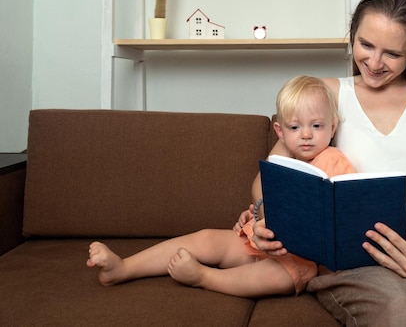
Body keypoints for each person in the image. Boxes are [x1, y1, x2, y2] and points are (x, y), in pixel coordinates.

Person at [245, 0, 406, 325]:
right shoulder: (328, 92)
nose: (374, 63)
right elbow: (272, 179)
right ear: (353, 36)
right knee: (399, 314)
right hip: (358, 239)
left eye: (392, 53)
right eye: (365, 45)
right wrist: (266, 218)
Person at [86, 75, 354, 297]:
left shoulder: (333, 159)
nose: (306, 135)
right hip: (257, 239)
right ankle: (124, 267)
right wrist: (256, 213)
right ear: (281, 132)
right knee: (206, 238)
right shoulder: (283, 157)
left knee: (277, 277)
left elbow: (340, 209)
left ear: (332, 127)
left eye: (316, 126)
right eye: (295, 127)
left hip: (297, 258)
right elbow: (264, 194)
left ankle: (204, 277)